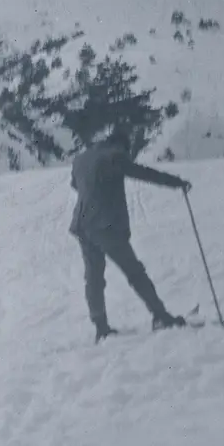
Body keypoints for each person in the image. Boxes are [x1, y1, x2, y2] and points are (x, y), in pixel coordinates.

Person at [69, 125, 192, 341]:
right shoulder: (115, 156)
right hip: (105, 226)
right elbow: (144, 173)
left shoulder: (81, 158)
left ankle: (101, 327)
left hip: (82, 225)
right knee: (135, 272)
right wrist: (177, 183)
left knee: (94, 278)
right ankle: (160, 315)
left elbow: (75, 184)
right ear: (122, 146)